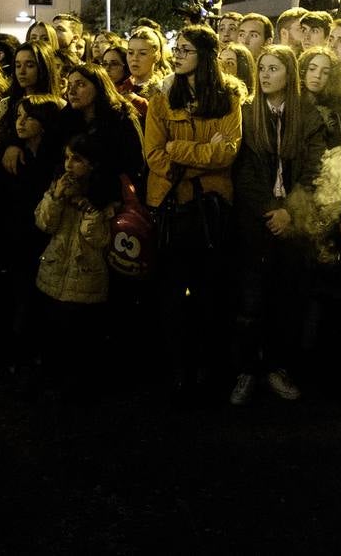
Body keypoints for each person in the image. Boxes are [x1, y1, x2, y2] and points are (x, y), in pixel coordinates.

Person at [145, 24, 243, 400]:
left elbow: (228, 151)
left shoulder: (229, 96)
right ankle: (177, 369)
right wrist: (202, 152)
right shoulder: (161, 97)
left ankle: (208, 370)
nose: (177, 55)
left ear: (204, 55)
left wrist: (179, 150)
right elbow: (155, 155)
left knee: (210, 294)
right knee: (171, 294)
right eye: (176, 48)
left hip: (212, 209)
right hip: (171, 205)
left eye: (185, 49)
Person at [229, 45, 326, 405]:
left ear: (290, 75)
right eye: (262, 68)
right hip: (256, 225)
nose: (265, 75)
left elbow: (316, 170)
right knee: (250, 305)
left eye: (274, 68)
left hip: (294, 226)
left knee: (287, 302)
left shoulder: (309, 116)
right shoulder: (247, 113)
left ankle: (277, 368)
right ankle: (246, 370)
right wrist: (271, 211)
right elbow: (245, 173)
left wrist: (291, 213)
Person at [0, 93, 65, 385]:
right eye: (18, 116)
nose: (21, 122)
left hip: (43, 239)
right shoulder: (7, 157)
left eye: (29, 117)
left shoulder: (55, 160)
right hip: (12, 240)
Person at [34, 132, 120, 394]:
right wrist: (56, 197)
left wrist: (86, 207)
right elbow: (44, 223)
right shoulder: (57, 185)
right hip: (55, 272)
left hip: (86, 278)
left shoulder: (105, 197)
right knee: (53, 335)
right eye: (68, 158)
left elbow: (99, 238)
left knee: (79, 339)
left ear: (93, 164)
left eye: (78, 159)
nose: (69, 165)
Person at [126, 25, 169, 97]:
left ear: (157, 56)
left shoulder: (163, 91)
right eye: (130, 53)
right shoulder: (122, 88)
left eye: (142, 53)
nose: (135, 58)